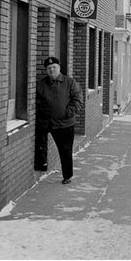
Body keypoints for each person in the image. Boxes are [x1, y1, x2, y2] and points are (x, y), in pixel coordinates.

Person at [35, 56, 83, 184]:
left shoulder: (69, 82)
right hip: (46, 122)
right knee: (39, 144)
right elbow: (36, 101)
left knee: (65, 150)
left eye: (54, 67)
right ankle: (41, 167)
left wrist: (67, 113)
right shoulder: (41, 84)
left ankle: (67, 176)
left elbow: (77, 100)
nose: (51, 70)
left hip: (65, 123)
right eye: (49, 68)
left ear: (59, 68)